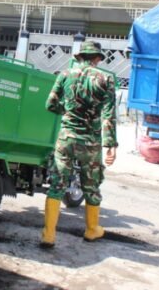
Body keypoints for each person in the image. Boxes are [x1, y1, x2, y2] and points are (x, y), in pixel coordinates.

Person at [41, 41, 118, 248]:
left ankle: (49, 234)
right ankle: (92, 230)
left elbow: (50, 104)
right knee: (91, 186)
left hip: (66, 139)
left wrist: (67, 112)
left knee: (57, 184)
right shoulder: (106, 79)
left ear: (80, 56)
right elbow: (108, 115)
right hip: (90, 142)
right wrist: (111, 145)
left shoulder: (65, 75)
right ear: (97, 58)